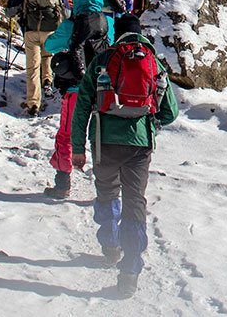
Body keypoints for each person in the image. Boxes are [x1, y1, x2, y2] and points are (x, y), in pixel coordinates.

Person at [71, 15, 178, 298]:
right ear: (140, 34)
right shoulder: (153, 63)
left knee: (106, 193)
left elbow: (82, 105)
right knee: (135, 204)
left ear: (117, 34)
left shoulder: (102, 61)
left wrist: (78, 148)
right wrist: (149, 121)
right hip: (140, 146)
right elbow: (170, 113)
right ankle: (130, 272)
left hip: (104, 142)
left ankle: (110, 247)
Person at [42, 0, 114, 199]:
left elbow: (49, 46)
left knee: (67, 134)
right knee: (104, 137)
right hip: (103, 90)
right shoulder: (108, 22)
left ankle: (62, 183)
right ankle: (107, 189)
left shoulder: (70, 24)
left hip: (75, 88)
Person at [5, 0, 68, 116]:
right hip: (51, 28)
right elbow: (66, 10)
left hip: (31, 29)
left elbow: (10, 10)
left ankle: (33, 103)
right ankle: (47, 80)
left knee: (32, 66)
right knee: (47, 56)